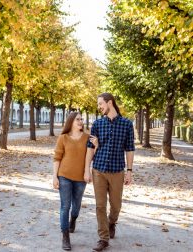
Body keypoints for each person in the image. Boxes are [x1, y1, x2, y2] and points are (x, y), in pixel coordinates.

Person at [85, 93, 135, 252]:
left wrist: (129, 171)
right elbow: (90, 148)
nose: (99, 107)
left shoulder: (127, 124)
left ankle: (112, 222)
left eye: (101, 103)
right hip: (98, 169)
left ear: (110, 102)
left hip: (117, 171)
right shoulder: (97, 124)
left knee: (116, 206)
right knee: (100, 206)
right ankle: (103, 238)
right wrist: (87, 169)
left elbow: (130, 149)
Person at [53, 112, 97, 251]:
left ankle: (74, 219)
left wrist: (96, 146)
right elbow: (57, 158)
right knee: (65, 206)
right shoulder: (63, 138)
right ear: (71, 121)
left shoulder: (87, 138)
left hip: (80, 178)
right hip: (64, 176)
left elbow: (91, 157)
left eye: (81, 119)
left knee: (76, 206)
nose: (80, 121)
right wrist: (55, 176)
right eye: (77, 119)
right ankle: (65, 236)